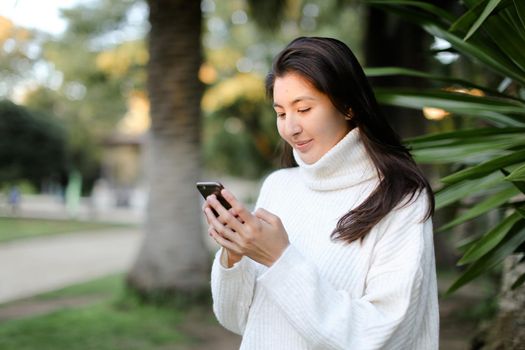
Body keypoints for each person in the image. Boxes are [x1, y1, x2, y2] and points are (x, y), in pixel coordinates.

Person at [203, 36, 439, 349]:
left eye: (303, 108)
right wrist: (235, 256)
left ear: (349, 106)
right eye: (281, 113)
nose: (290, 128)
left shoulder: (401, 198)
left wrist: (279, 259)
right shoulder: (279, 186)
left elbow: (383, 336)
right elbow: (237, 321)